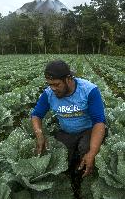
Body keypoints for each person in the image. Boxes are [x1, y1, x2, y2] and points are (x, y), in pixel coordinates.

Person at [31, 60, 106, 197]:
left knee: (87, 150)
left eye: (56, 84)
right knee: (58, 156)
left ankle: (84, 180)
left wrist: (92, 152)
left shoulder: (89, 90)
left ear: (68, 79)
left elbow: (99, 122)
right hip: (66, 131)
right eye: (50, 85)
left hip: (88, 130)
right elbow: (36, 114)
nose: (53, 88)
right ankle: (68, 180)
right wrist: (39, 134)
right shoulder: (49, 94)